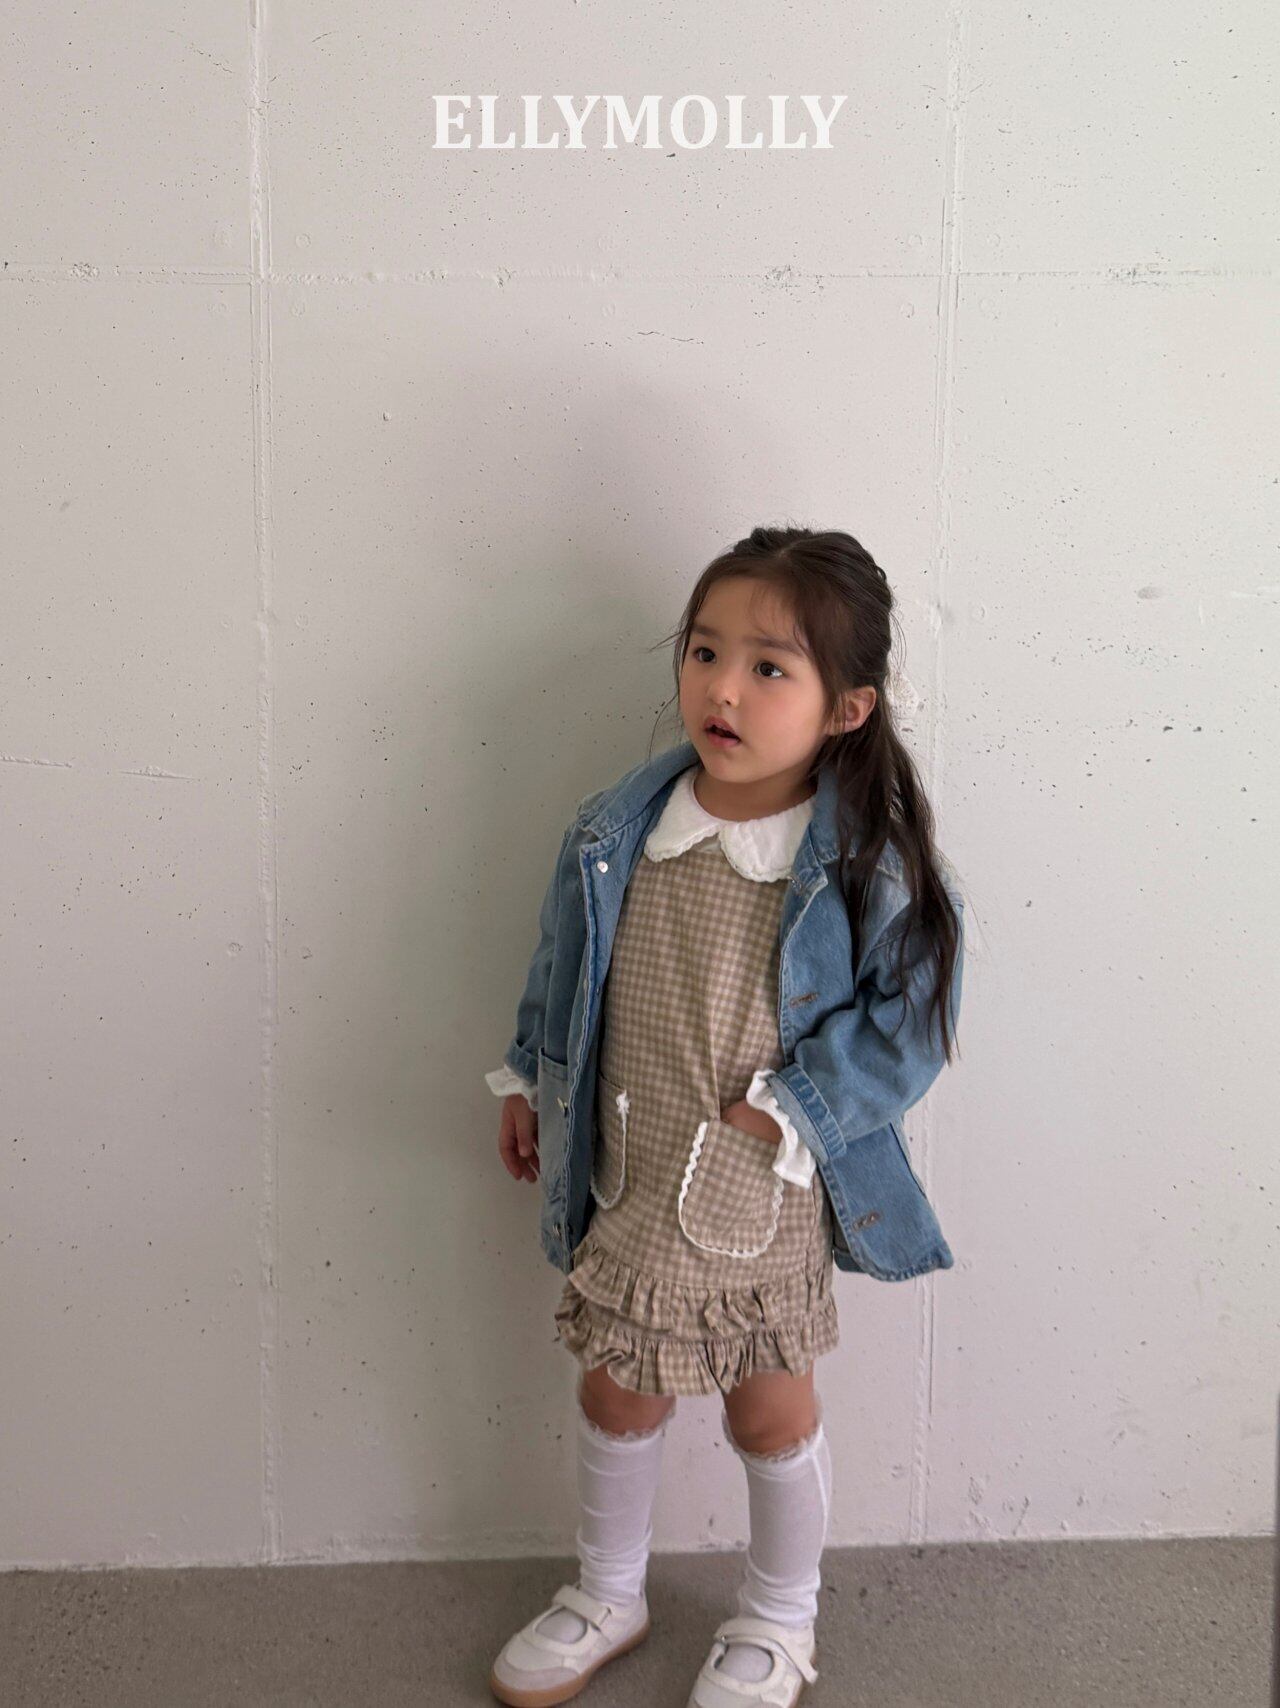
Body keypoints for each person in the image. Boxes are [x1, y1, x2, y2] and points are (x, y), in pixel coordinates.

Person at [483, 525, 966, 1708]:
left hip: (764, 1184)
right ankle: (609, 1588)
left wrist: (794, 1107)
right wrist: (530, 1078)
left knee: (768, 1407)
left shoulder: (859, 859)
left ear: (845, 708)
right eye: (704, 652)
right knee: (614, 1384)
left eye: (767, 667)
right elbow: (559, 964)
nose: (722, 689)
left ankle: (779, 1614)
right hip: (634, 1163)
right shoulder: (618, 831)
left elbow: (911, 1023)